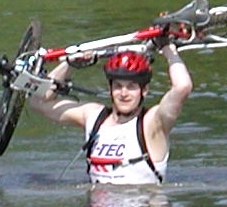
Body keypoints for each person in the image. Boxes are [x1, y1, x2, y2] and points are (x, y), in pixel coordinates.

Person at [28, 44, 191, 184]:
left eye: (132, 87)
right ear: (110, 89)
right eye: (118, 86)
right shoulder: (93, 116)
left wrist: (168, 49)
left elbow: (182, 87)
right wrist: (69, 65)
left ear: (144, 91)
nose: (124, 93)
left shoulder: (152, 123)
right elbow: (38, 101)